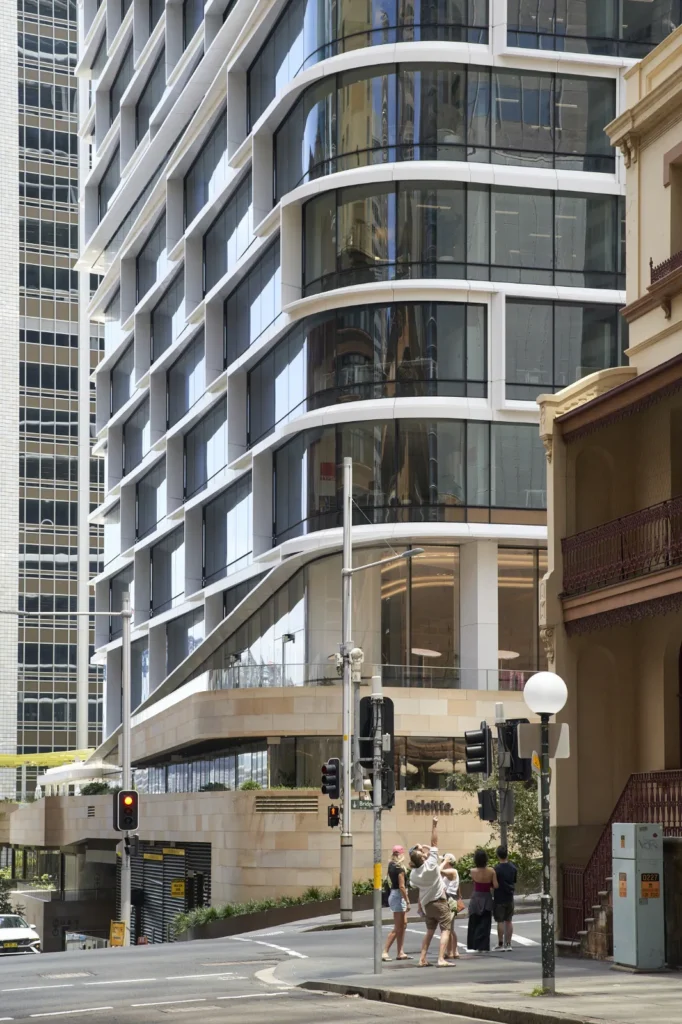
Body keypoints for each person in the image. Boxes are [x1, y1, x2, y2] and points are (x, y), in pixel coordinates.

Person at [408, 816, 454, 968]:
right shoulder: (432, 864)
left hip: (427, 905)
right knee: (446, 929)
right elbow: (434, 843)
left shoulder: (414, 875)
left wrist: (421, 852)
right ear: (423, 858)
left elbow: (415, 871)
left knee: (429, 931)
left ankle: (422, 958)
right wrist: (434, 824)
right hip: (440, 901)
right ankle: (441, 958)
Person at [382, 845, 411, 962]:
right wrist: (408, 901)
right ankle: (385, 951)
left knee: (403, 924)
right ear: (401, 854)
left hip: (394, 894)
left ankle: (400, 952)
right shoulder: (400, 869)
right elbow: (402, 886)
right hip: (399, 896)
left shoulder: (391, 865)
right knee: (398, 926)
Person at [466, 848, 497, 952]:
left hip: (476, 897)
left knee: (474, 921)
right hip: (486, 896)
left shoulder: (472, 871)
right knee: (485, 922)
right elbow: (496, 885)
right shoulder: (491, 871)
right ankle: (484, 946)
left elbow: (473, 882)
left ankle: (474, 944)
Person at [493, 845, 518, 951]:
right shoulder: (513, 868)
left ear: (498, 855)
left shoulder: (496, 869)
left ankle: (500, 943)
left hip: (499, 897)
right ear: (507, 854)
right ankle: (509, 944)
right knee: (509, 920)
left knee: (500, 921)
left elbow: (494, 884)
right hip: (510, 896)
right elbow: (514, 881)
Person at [440, 853, 461, 959]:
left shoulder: (452, 871)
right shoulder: (451, 872)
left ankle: (452, 951)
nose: (441, 862)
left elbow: (438, 870)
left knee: (448, 928)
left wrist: (443, 862)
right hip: (450, 899)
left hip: (449, 899)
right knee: (450, 928)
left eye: (443, 860)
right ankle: (453, 951)